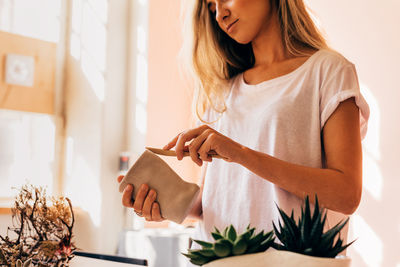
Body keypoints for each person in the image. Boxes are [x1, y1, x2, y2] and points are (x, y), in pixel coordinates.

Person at [118, 0, 370, 263]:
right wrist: (165, 203)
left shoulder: (328, 71)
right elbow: (219, 200)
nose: (219, 14)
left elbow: (346, 194)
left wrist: (240, 153)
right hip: (218, 260)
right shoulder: (223, 90)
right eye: (211, 6)